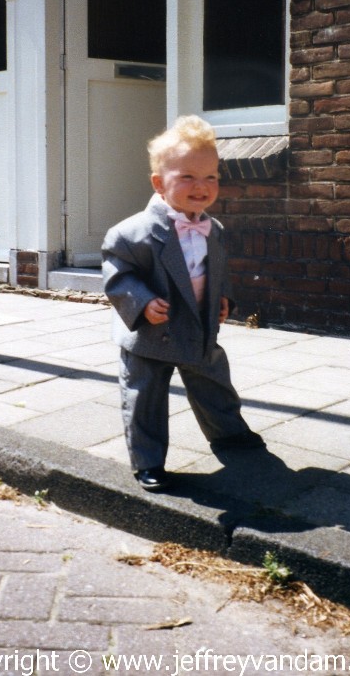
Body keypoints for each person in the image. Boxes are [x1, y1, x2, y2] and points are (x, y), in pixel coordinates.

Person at [101, 115, 264, 492]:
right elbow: (117, 276)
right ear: (159, 183)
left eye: (211, 177)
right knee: (145, 397)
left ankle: (229, 434)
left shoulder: (214, 230)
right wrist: (140, 303)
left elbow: (215, 270)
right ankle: (148, 460)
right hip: (150, 332)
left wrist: (222, 300)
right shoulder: (130, 233)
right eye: (187, 177)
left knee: (214, 383)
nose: (201, 187)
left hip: (196, 325)